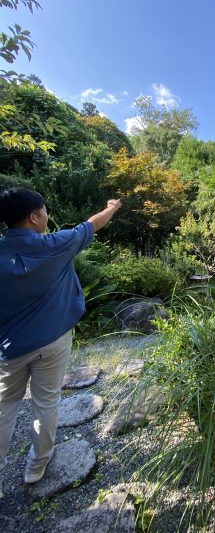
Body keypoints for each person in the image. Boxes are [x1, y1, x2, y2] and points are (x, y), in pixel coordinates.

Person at [0, 188, 121, 497]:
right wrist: (112, 206)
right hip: (53, 341)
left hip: (8, 348)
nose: (46, 216)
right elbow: (94, 223)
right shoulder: (56, 245)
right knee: (46, 401)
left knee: (4, 408)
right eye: (44, 211)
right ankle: (37, 465)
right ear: (34, 217)